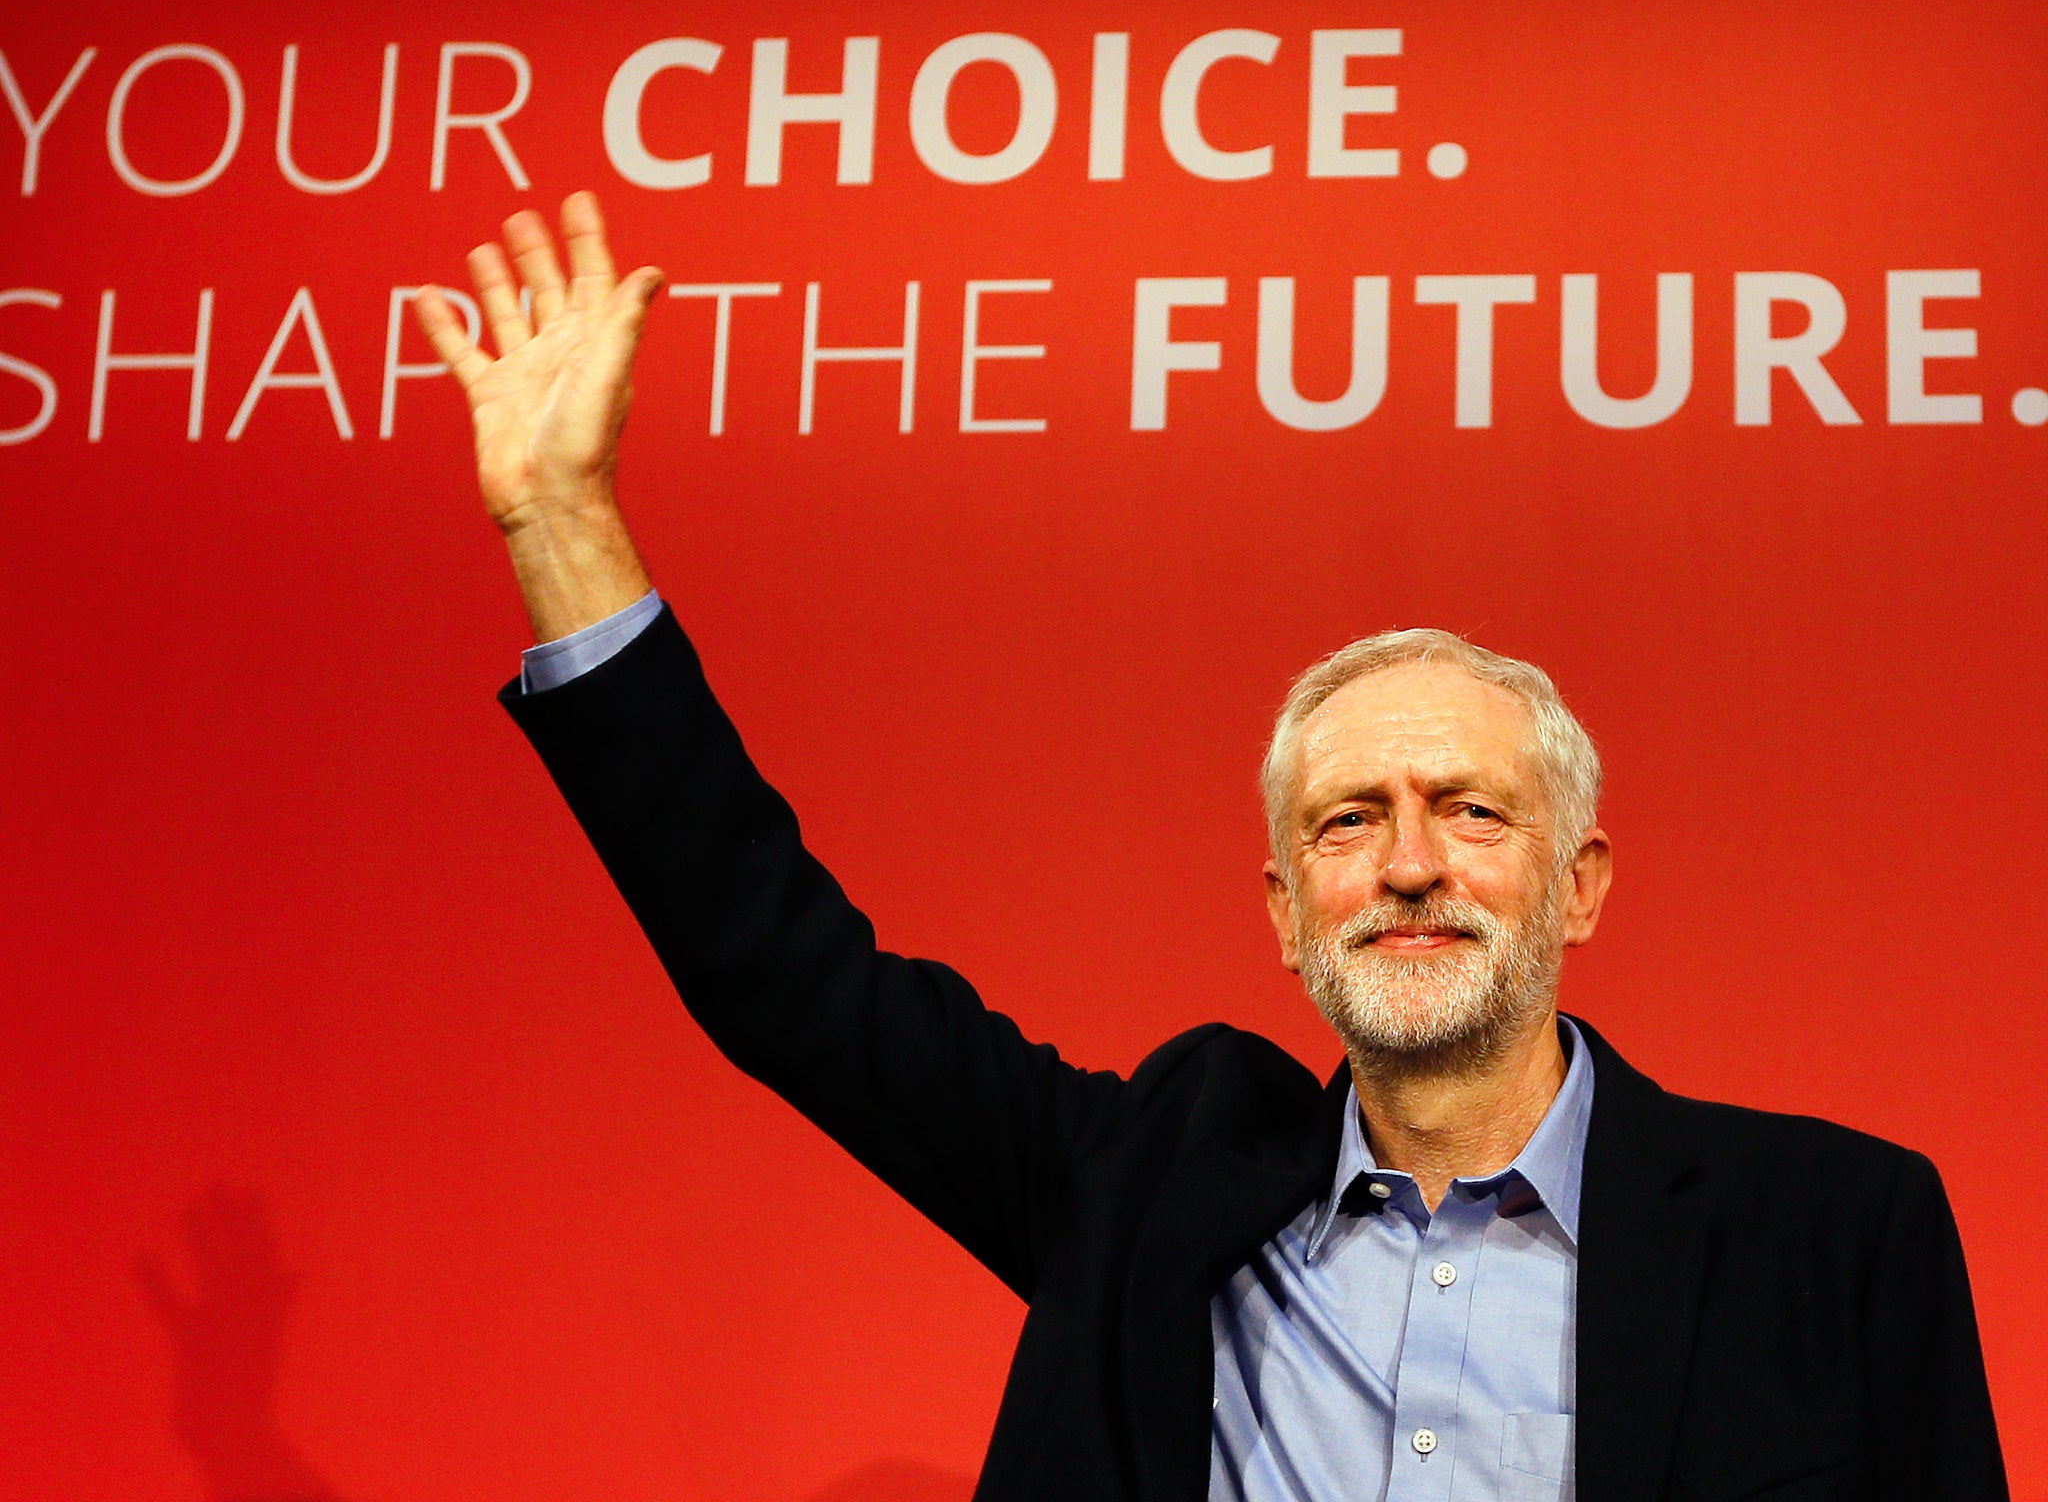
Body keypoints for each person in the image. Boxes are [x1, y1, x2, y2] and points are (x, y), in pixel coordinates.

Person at [416, 194, 2007, 1502]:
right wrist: (560, 521)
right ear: (1283, 906)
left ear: (1580, 883)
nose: (1406, 866)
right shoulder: (1148, 1187)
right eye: (1347, 822)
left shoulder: (1835, 1231)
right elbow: (786, 976)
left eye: (1470, 811)